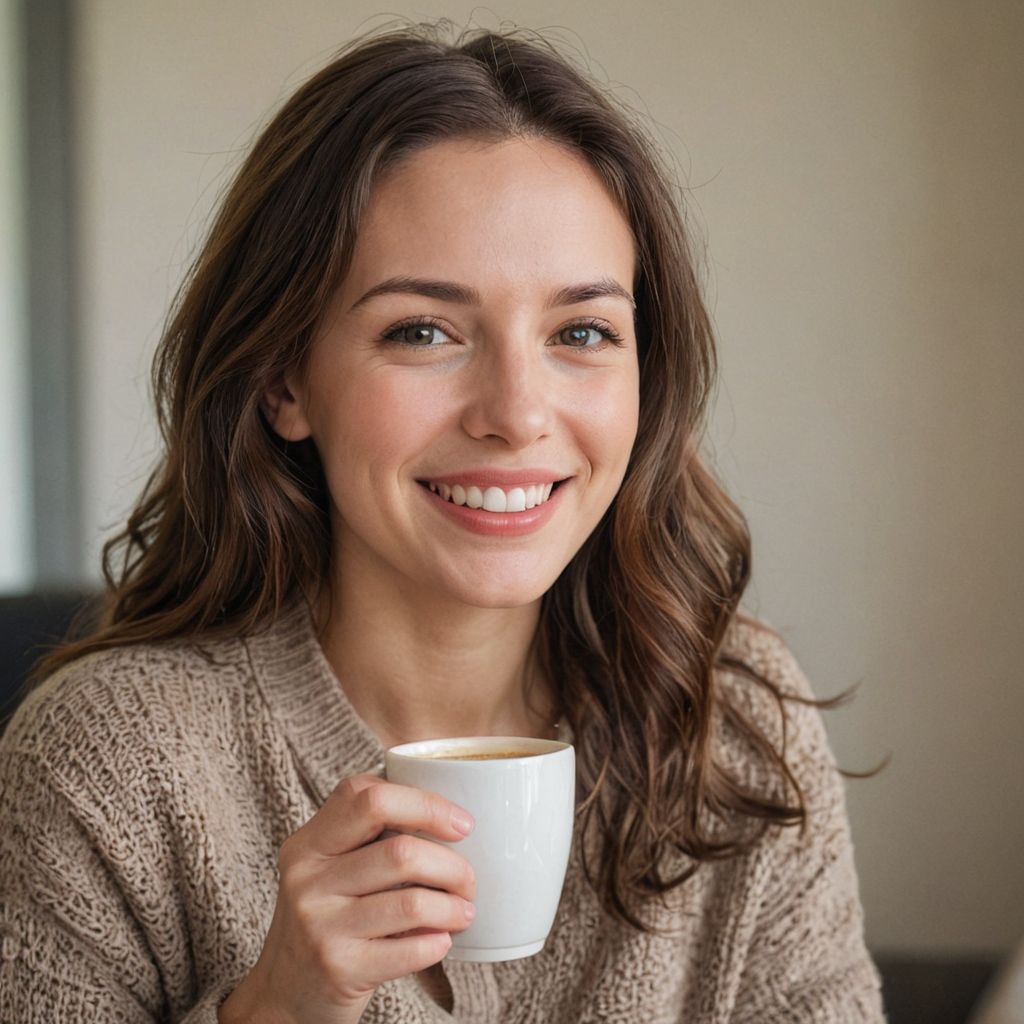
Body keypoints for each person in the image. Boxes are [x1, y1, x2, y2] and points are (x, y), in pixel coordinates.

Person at [0, 20, 885, 1024]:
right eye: (422, 331)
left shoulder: (735, 722)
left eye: (581, 331)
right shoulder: (107, 762)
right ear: (285, 379)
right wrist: (275, 1010)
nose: (515, 413)